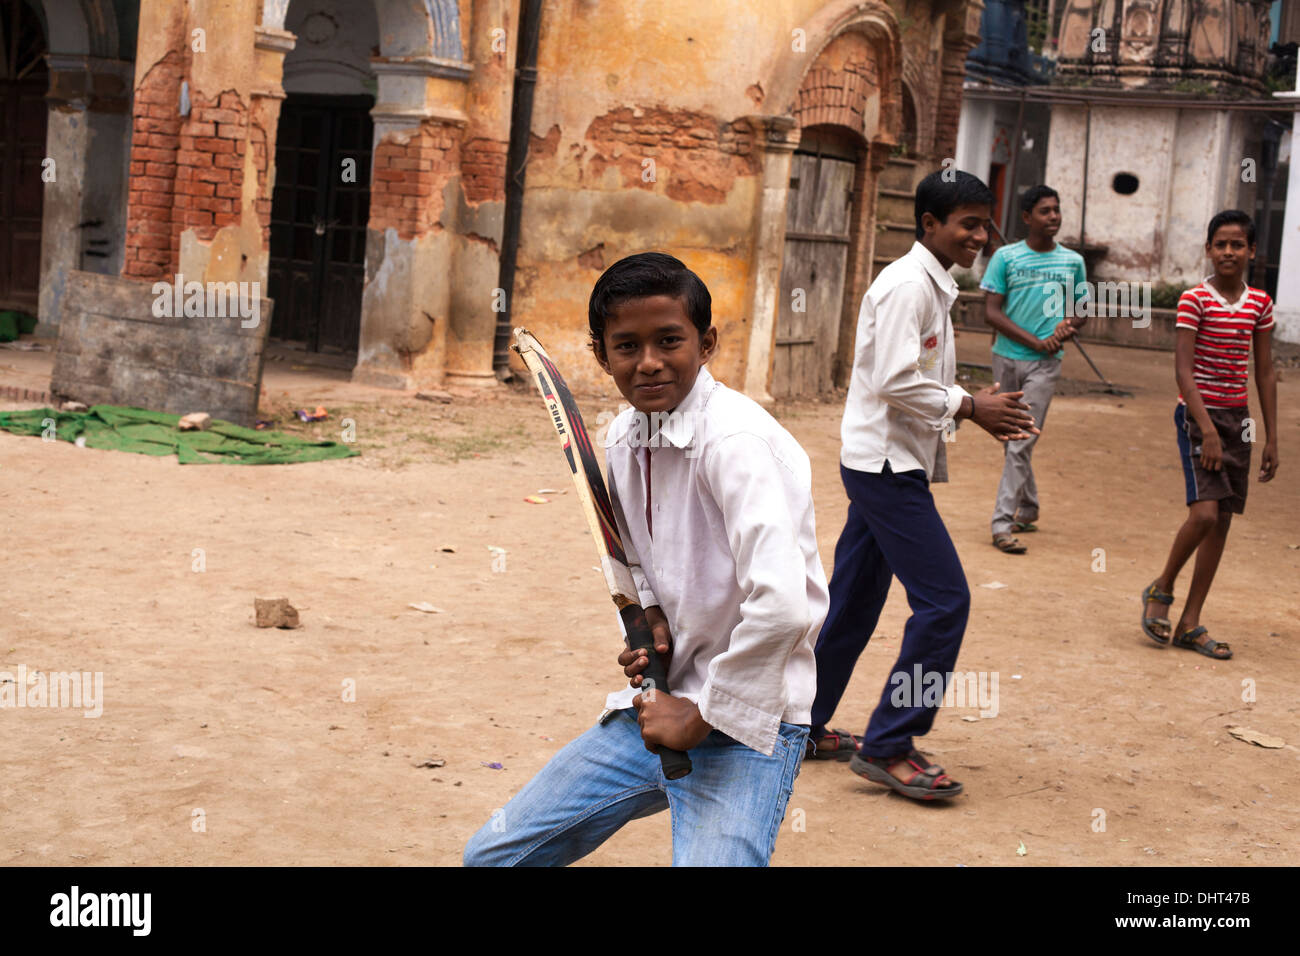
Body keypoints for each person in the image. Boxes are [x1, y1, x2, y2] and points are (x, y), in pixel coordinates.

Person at [463, 252, 828, 866]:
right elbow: (634, 559)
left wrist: (703, 715)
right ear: (602, 356)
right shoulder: (623, 440)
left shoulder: (734, 443)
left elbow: (785, 606)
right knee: (494, 857)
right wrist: (652, 617)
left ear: (706, 343)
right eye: (627, 346)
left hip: (748, 718)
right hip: (659, 706)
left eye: (669, 341)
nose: (650, 362)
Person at [804, 170, 1038, 800]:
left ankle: (797, 723)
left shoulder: (934, 284)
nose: (980, 235)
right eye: (967, 223)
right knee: (945, 602)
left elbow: (912, 376)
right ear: (929, 224)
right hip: (884, 468)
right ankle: (890, 744)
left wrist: (971, 403)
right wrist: (969, 406)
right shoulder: (909, 285)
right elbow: (891, 379)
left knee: (853, 601)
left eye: (984, 223)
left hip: (887, 461)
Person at [1140, 210, 1279, 660]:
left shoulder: (1260, 304)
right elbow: (1183, 368)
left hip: (1237, 419)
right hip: (1198, 417)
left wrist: (1271, 437)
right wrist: (1206, 428)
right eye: (1220, 244)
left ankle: (1190, 622)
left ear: (1252, 251)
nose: (1228, 252)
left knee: (1222, 521)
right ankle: (1161, 588)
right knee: (1202, 515)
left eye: (1237, 244)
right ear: (1208, 249)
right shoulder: (1193, 300)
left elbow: (1265, 371)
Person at [980, 185, 1090, 553]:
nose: (1054, 217)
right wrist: (1032, 340)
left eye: (1056, 210)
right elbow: (992, 312)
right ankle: (1027, 506)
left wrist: (1068, 326)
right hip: (1006, 357)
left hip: (1046, 363)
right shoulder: (1006, 258)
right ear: (1027, 218)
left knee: (1022, 438)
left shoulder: (1072, 261)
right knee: (1009, 436)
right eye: (1045, 211)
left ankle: (1001, 524)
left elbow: (1081, 308)